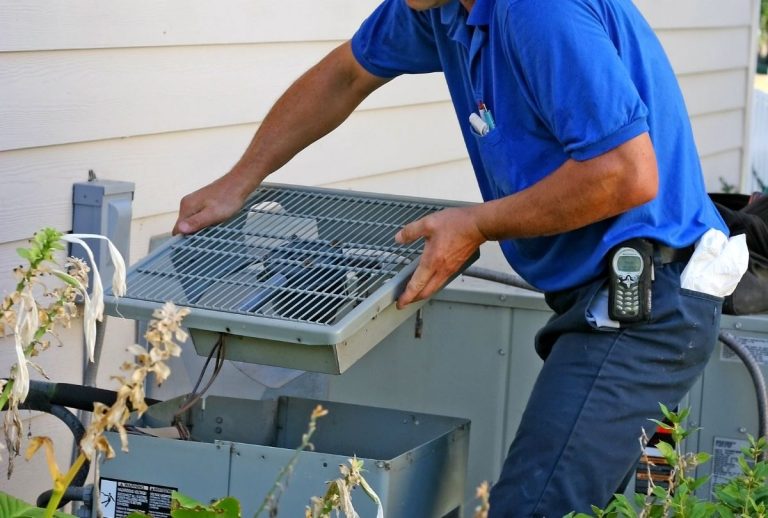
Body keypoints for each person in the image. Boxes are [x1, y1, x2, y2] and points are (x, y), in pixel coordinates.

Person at [173, 0, 734, 515]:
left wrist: (477, 223)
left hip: (647, 298)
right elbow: (345, 75)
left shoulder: (541, 11)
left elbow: (625, 173)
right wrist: (239, 181)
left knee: (530, 507)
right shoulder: (438, 8)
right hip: (597, 297)